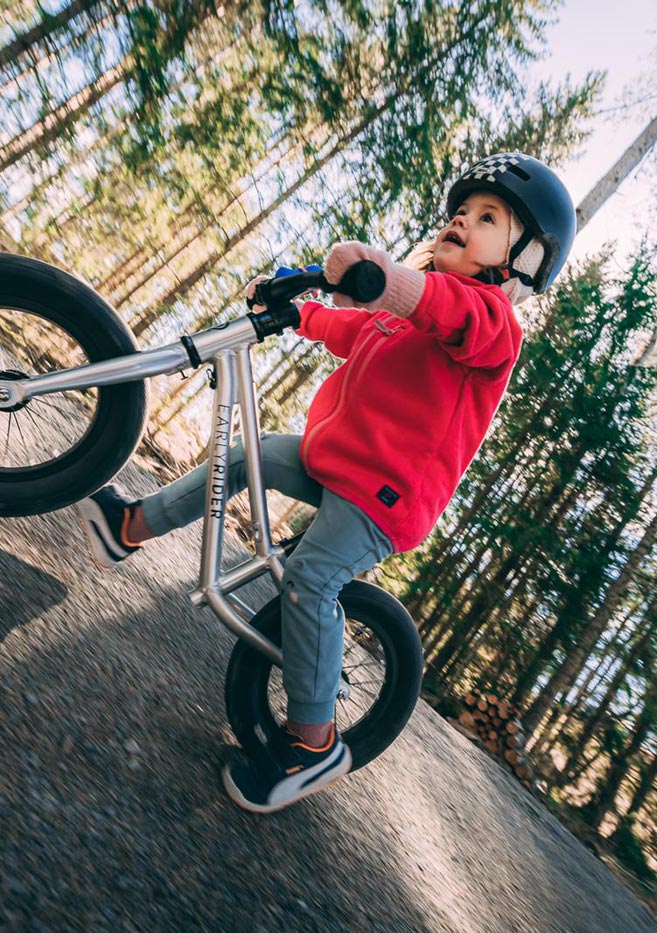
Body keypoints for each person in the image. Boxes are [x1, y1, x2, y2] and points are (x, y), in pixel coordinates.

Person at [75, 152, 576, 813]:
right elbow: (355, 324)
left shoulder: (492, 326)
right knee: (247, 456)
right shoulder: (405, 308)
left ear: (527, 259)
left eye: (487, 218)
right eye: (460, 210)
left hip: (382, 498)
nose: (463, 219)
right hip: (332, 457)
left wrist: (383, 277)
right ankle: (128, 526)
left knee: (311, 578)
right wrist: (294, 308)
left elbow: (436, 306)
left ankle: (313, 741)